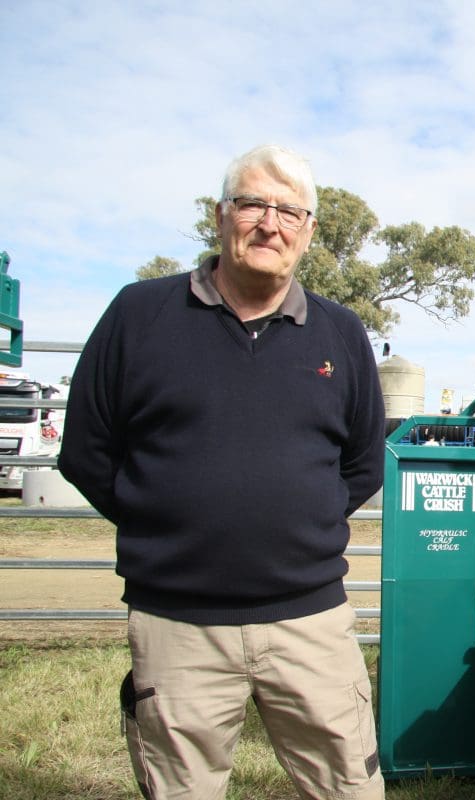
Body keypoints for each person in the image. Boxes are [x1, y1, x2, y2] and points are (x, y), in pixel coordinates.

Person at [59, 145, 386, 799]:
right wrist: (167, 520)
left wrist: (292, 525)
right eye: (254, 204)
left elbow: (362, 463)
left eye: (290, 210)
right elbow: (87, 452)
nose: (271, 224)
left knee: (349, 789)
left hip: (310, 625)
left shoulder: (341, 334)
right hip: (177, 626)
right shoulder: (139, 315)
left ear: (310, 230)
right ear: (221, 216)